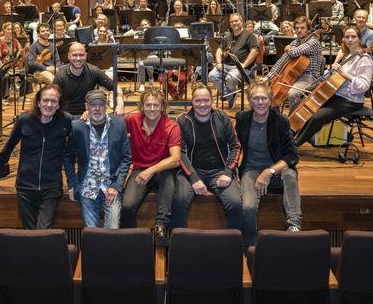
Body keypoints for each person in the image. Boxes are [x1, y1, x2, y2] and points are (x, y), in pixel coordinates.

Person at [0, 84, 74, 229]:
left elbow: (75, 149)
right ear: (38, 102)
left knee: (44, 232)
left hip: (51, 187)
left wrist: (73, 182)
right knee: (29, 232)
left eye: (54, 101)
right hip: (26, 186)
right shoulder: (24, 120)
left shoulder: (67, 121)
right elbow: (8, 147)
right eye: (45, 100)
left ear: (58, 105)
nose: (49, 104)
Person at [237, 82, 302, 245]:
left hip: (276, 170)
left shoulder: (280, 121)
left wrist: (269, 172)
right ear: (250, 101)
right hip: (251, 170)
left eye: (263, 98)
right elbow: (234, 147)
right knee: (248, 207)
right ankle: (250, 247)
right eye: (256, 98)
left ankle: (294, 227)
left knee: (290, 174)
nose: (260, 102)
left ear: (270, 101)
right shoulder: (242, 119)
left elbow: (293, 155)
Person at [171, 84, 242, 232]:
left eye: (206, 100)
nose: (202, 104)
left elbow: (235, 146)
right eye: (198, 100)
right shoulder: (182, 120)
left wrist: (228, 172)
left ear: (212, 101)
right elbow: (180, 153)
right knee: (179, 201)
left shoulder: (223, 117)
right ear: (192, 101)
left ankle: (231, 243)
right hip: (191, 170)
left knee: (235, 202)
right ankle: (178, 243)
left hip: (219, 170)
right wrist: (193, 178)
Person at [293, 26, 373, 146]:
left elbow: (364, 86)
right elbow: (337, 77)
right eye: (347, 37)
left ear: (359, 39)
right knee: (300, 104)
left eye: (353, 37)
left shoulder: (365, 60)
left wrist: (344, 74)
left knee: (316, 117)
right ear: (343, 39)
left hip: (351, 101)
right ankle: (287, 137)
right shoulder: (349, 56)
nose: (350, 40)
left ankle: (294, 145)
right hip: (336, 95)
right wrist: (329, 72)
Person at [120, 88, 181, 245]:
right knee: (127, 206)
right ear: (142, 106)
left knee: (168, 180)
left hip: (162, 170)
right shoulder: (132, 120)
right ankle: (131, 242)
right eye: (148, 105)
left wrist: (151, 170)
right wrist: (86, 115)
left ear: (162, 107)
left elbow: (175, 159)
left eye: (156, 105)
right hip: (140, 170)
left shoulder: (171, 126)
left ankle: (161, 227)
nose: (152, 109)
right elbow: (111, 125)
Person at [64, 89, 131, 229]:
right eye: (93, 105)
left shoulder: (119, 124)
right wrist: (72, 184)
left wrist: (117, 185)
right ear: (86, 106)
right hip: (87, 188)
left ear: (107, 105)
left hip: (111, 186)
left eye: (101, 104)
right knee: (91, 233)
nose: (97, 108)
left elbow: (126, 158)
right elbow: (67, 157)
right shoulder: (77, 126)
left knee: (112, 231)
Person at [266, 16, 324, 108]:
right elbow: (282, 60)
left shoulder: (313, 42)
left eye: (302, 28)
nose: (299, 30)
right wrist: (268, 77)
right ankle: (276, 116)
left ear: (308, 29)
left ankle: (294, 116)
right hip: (295, 76)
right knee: (271, 93)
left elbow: (294, 52)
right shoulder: (295, 42)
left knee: (292, 94)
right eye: (297, 28)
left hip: (310, 77)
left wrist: (288, 48)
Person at [53, 42, 123, 116]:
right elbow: (52, 99)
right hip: (68, 116)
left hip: (89, 114)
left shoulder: (93, 71)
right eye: (74, 55)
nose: (78, 58)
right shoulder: (60, 76)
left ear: (86, 56)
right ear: (68, 56)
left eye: (81, 55)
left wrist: (120, 103)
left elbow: (115, 86)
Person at [210, 13, 260, 109]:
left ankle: (229, 95)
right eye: (232, 22)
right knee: (212, 75)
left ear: (241, 22)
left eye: (236, 21)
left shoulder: (249, 36)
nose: (234, 23)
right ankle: (230, 96)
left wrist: (244, 64)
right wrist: (219, 63)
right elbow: (218, 50)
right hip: (227, 65)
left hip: (241, 67)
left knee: (230, 78)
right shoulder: (228, 37)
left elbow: (254, 51)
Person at [0, 22, 22, 101]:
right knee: (5, 76)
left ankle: (22, 95)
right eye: (8, 29)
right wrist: (2, 67)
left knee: (24, 73)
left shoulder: (15, 41)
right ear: (4, 30)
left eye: (12, 29)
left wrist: (18, 58)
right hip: (0, 67)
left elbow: (20, 51)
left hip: (12, 67)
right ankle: (4, 98)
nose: (10, 31)